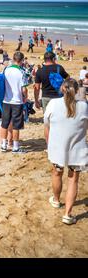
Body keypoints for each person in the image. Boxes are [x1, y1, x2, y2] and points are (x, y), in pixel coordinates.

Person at [44, 79, 88, 225]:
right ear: (76, 90)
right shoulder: (83, 106)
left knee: (57, 172)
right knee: (73, 180)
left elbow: (47, 127)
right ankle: (68, 215)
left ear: (62, 88)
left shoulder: (53, 104)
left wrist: (49, 145)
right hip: (77, 149)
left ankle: (56, 200)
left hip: (57, 147)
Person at [0, 52, 28, 153]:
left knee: (5, 123)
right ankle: (15, 146)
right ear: (22, 60)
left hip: (6, 100)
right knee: (16, 125)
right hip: (17, 101)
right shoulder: (22, 72)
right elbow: (24, 89)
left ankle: (3, 145)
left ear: (13, 59)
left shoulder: (6, 69)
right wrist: (26, 97)